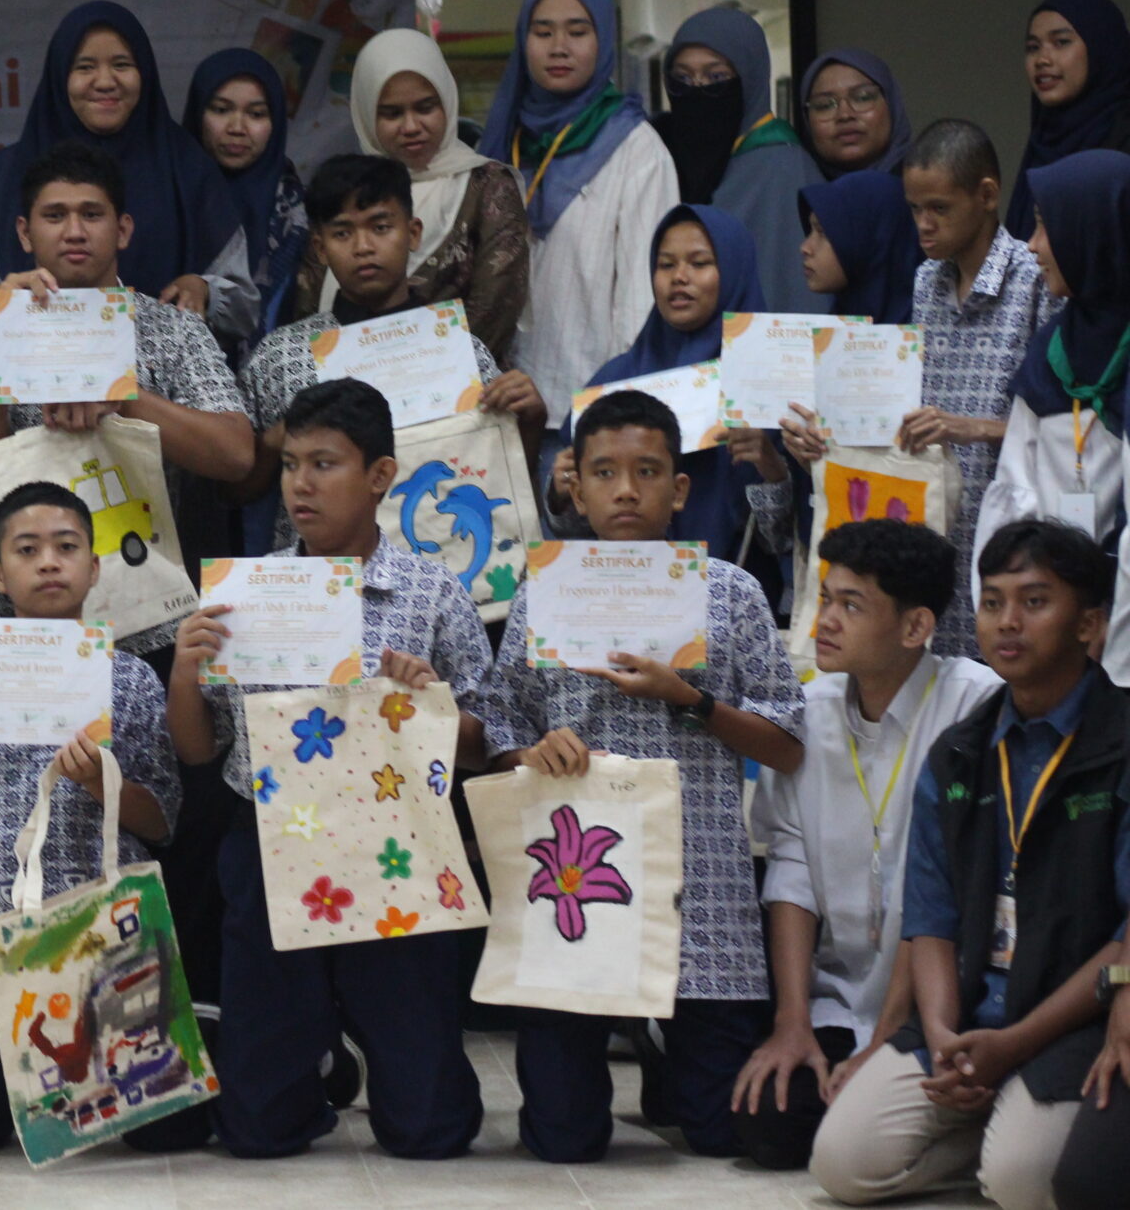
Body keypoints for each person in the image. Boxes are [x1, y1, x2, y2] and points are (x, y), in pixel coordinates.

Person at [478, 388, 806, 1162]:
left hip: (702, 890)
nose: (627, 490)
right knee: (561, 1139)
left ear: (679, 488)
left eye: (648, 471)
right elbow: (499, 720)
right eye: (605, 472)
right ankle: (622, 1050)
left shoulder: (731, 593)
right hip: (574, 883)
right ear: (576, 487)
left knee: (722, 1133)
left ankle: (668, 1055)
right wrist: (527, 752)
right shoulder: (542, 593)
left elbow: (787, 741)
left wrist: (689, 699)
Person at [167, 378, 492, 1158]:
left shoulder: (430, 589)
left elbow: (487, 741)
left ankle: (399, 1066)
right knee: (254, 1133)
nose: (300, 484)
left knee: (428, 1133)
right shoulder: (251, 592)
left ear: (380, 476)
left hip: (398, 844)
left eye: (325, 464)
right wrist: (184, 672)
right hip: (274, 840)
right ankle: (305, 1065)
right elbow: (197, 749)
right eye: (289, 465)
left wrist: (432, 705)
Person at [810, 520, 1130, 1208]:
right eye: (992, 601)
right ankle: (991, 1120)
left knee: (1022, 1184)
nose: (1008, 622)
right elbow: (932, 917)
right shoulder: (960, 748)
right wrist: (946, 1034)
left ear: (1090, 623)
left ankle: (1012, 1134)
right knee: (842, 1163)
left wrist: (1011, 1044)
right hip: (970, 1010)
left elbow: (1125, 938)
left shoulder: (1120, 739)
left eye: (1035, 601)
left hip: (1069, 1017)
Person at [0, 481, 183, 1152]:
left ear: (94, 566)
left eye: (66, 546)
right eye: (28, 549)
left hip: (98, 922)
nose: (49, 561)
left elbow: (162, 818)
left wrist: (98, 782)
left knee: (166, 1132)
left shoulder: (132, 678)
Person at [732, 520, 999, 1172]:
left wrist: (883, 1042)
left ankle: (967, 1135)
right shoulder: (809, 710)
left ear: (915, 627)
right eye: (825, 597)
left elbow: (949, 892)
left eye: (851, 604)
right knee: (761, 1127)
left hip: (942, 1001)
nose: (824, 619)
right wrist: (792, 1020)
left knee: (848, 1134)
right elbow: (790, 869)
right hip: (838, 994)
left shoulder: (976, 705)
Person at [0, 144, 255, 662]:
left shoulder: (171, 329)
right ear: (24, 232)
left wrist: (123, 398)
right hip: (6, 624)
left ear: (123, 229)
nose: (75, 231)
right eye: (54, 215)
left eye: (92, 214)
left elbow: (236, 453)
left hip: (143, 620)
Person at [235, 155, 544, 557]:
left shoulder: (458, 350)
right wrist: (276, 441)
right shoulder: (281, 356)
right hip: (326, 592)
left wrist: (531, 419)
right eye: (342, 233)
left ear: (413, 233)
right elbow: (237, 490)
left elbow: (500, 474)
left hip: (444, 576)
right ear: (320, 247)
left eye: (381, 227)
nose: (363, 247)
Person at [0, 3, 254, 340]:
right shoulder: (5, 176)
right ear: (60, 76)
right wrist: (8, 301)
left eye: (122, 65)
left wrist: (205, 289)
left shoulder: (189, 168)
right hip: (31, 373)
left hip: (162, 376)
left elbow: (245, 304)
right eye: (85, 67)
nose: (105, 82)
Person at [477, 0, 680, 413]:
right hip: (495, 407)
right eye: (542, 31)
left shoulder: (636, 148)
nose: (559, 47)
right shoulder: (503, 140)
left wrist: (614, 409)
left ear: (603, 39)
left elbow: (641, 302)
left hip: (585, 412)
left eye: (578, 31)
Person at [551, 205, 788, 567]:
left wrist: (772, 469)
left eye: (699, 263)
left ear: (735, 270)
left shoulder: (771, 381)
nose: (680, 277)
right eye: (666, 265)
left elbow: (789, 542)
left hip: (733, 593)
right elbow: (573, 530)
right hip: (623, 597)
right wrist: (562, 489)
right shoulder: (617, 380)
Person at [973, 153, 1130, 681]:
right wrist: (1022, 614)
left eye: (1045, 226)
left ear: (1095, 232)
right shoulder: (1052, 349)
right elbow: (1014, 493)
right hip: (1055, 635)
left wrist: (1109, 628)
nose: (1034, 246)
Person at [897, 121, 1049, 658]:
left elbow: (1067, 429)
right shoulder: (925, 281)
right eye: (915, 208)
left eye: (938, 207)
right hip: (938, 524)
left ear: (987, 196)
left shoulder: (1035, 278)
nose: (924, 224)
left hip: (1011, 526)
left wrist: (974, 428)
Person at [313, 28, 531, 360]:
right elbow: (309, 302)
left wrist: (420, 379)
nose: (412, 126)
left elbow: (495, 308)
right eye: (392, 113)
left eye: (425, 107)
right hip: (342, 388)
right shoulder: (343, 190)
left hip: (458, 391)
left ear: (447, 102)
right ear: (367, 114)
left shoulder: (486, 186)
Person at [647, 6, 827, 313]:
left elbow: (795, 291)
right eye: (683, 78)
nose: (697, 90)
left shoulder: (784, 167)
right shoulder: (659, 157)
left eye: (716, 76)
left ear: (749, 77)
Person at [183, 47, 311, 339]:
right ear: (197, 112)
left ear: (276, 122)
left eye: (255, 114)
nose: (237, 128)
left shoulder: (300, 212)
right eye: (221, 109)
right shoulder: (169, 197)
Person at [1004, 0, 1130, 242]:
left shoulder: (1122, 144)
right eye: (1033, 47)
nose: (1042, 59)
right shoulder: (1043, 143)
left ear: (1101, 47)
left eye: (1061, 42)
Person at [800, 168, 925, 326]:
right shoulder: (829, 333)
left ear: (871, 239)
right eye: (810, 231)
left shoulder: (933, 335)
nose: (805, 248)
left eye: (823, 233)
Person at [798, 50, 914, 181]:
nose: (845, 115)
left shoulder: (929, 188)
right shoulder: (790, 190)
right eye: (824, 105)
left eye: (863, 98)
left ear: (892, 104)